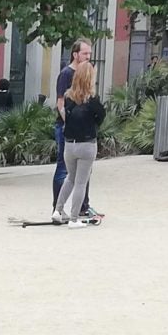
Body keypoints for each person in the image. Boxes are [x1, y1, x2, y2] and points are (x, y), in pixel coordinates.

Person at [52, 61, 106, 226]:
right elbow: (101, 116)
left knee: (70, 178)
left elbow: (64, 113)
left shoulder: (69, 96)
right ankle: (74, 218)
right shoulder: (92, 99)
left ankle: (58, 210)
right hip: (87, 143)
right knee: (81, 182)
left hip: (70, 143)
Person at [52, 37, 95, 217]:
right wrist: (70, 123)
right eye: (85, 53)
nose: (88, 57)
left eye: (89, 54)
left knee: (84, 172)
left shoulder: (86, 73)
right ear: (75, 54)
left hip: (83, 132)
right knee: (65, 169)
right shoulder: (66, 74)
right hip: (67, 129)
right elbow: (60, 103)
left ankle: (83, 206)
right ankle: (57, 206)